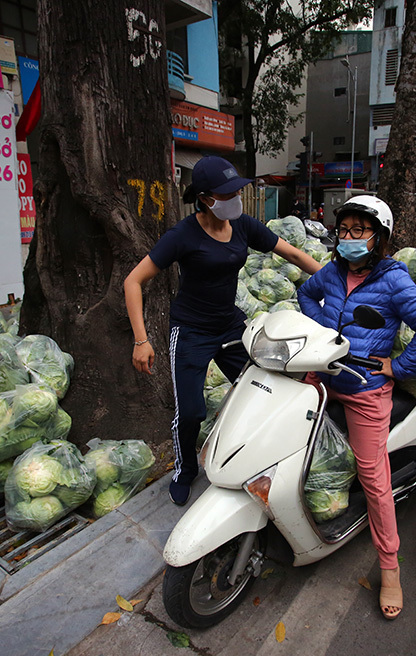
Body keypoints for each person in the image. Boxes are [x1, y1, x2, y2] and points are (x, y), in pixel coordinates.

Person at [124, 156, 321, 506]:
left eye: (237, 190)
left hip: (230, 325)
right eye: (226, 193)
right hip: (191, 331)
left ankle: (248, 454)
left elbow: (292, 254)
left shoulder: (243, 225)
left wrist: (339, 282)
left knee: (262, 391)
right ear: (204, 197)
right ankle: (185, 470)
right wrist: (141, 339)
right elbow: (133, 281)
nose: (235, 197)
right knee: (192, 411)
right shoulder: (182, 235)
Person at [297, 195, 416, 620]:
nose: (349, 238)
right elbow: (306, 294)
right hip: (322, 377)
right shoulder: (332, 272)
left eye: (359, 231)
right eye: (345, 230)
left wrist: (398, 367)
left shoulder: (394, 281)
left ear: (378, 237)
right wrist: (323, 330)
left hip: (365, 389)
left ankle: (390, 567)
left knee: (373, 477)